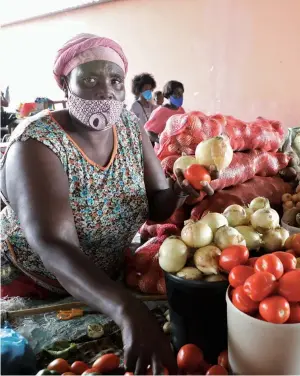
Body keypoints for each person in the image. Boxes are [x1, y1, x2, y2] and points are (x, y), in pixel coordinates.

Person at [0, 33, 217, 375]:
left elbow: (156, 205)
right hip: (40, 289)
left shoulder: (131, 127)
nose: (105, 90)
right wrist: (128, 310)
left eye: (115, 81)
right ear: (64, 86)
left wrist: (179, 192)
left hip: (106, 282)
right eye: (89, 80)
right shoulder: (36, 144)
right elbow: (53, 245)